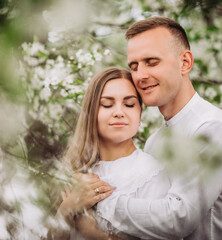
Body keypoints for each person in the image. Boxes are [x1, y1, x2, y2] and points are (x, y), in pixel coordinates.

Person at [76, 17, 222, 239]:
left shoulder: (212, 128)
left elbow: (178, 218)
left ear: (185, 63)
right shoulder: (155, 141)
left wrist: (95, 200)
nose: (140, 75)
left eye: (152, 62)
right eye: (134, 66)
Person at [48, 67, 171, 239]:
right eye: (107, 104)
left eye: (129, 104)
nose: (119, 113)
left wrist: (95, 235)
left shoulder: (151, 174)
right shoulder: (75, 168)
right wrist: (66, 211)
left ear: (140, 112)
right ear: (91, 112)